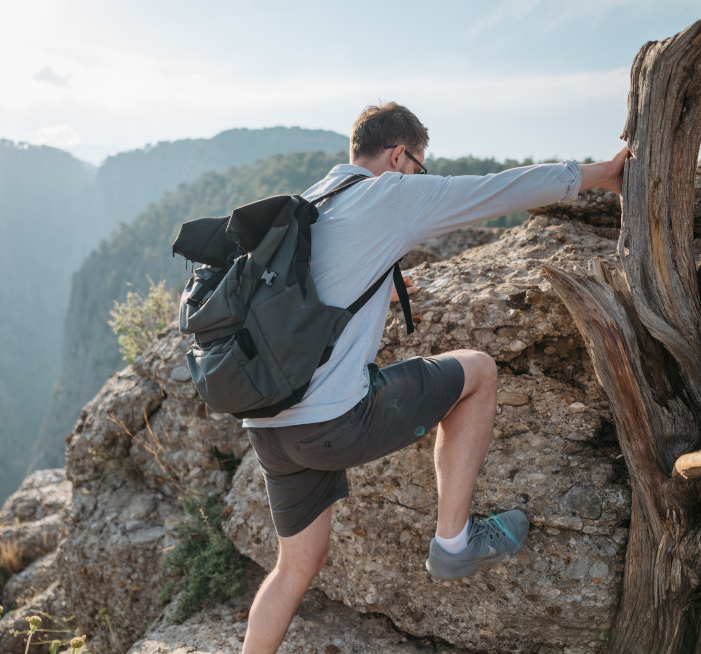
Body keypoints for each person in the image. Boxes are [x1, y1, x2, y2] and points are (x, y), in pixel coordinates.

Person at [240, 102, 629, 653]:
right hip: (331, 423)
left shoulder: (310, 203)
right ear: (399, 156)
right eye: (419, 166)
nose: (420, 176)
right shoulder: (389, 193)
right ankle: (453, 542)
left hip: (269, 428)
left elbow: (311, 293)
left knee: (295, 568)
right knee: (478, 370)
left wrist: (380, 289)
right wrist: (599, 175)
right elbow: (500, 189)